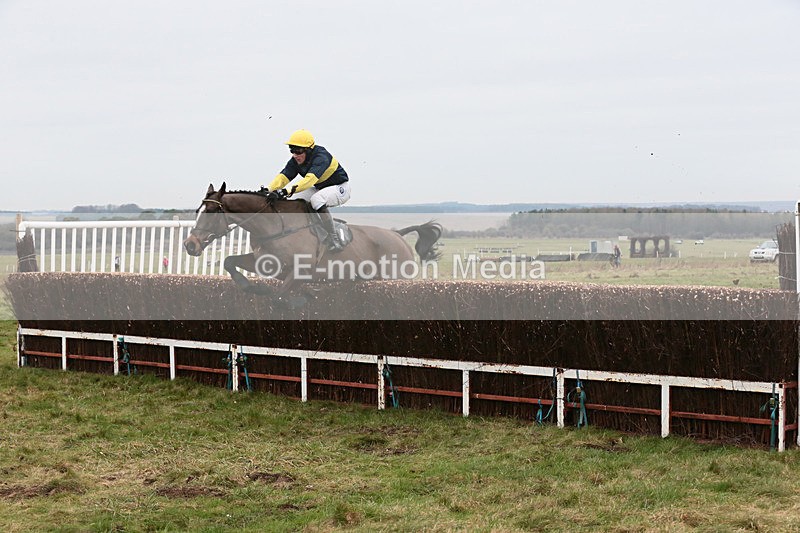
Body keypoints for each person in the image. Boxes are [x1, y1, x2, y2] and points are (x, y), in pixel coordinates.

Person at [264, 129, 351, 251]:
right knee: (293, 201)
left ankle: (333, 237)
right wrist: (269, 189)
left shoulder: (321, 157)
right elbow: (283, 177)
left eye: (298, 151)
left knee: (316, 200)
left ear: (309, 150)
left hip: (340, 188)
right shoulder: (295, 160)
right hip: (320, 188)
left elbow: (309, 181)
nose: (295, 155)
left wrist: (284, 191)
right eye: (292, 150)